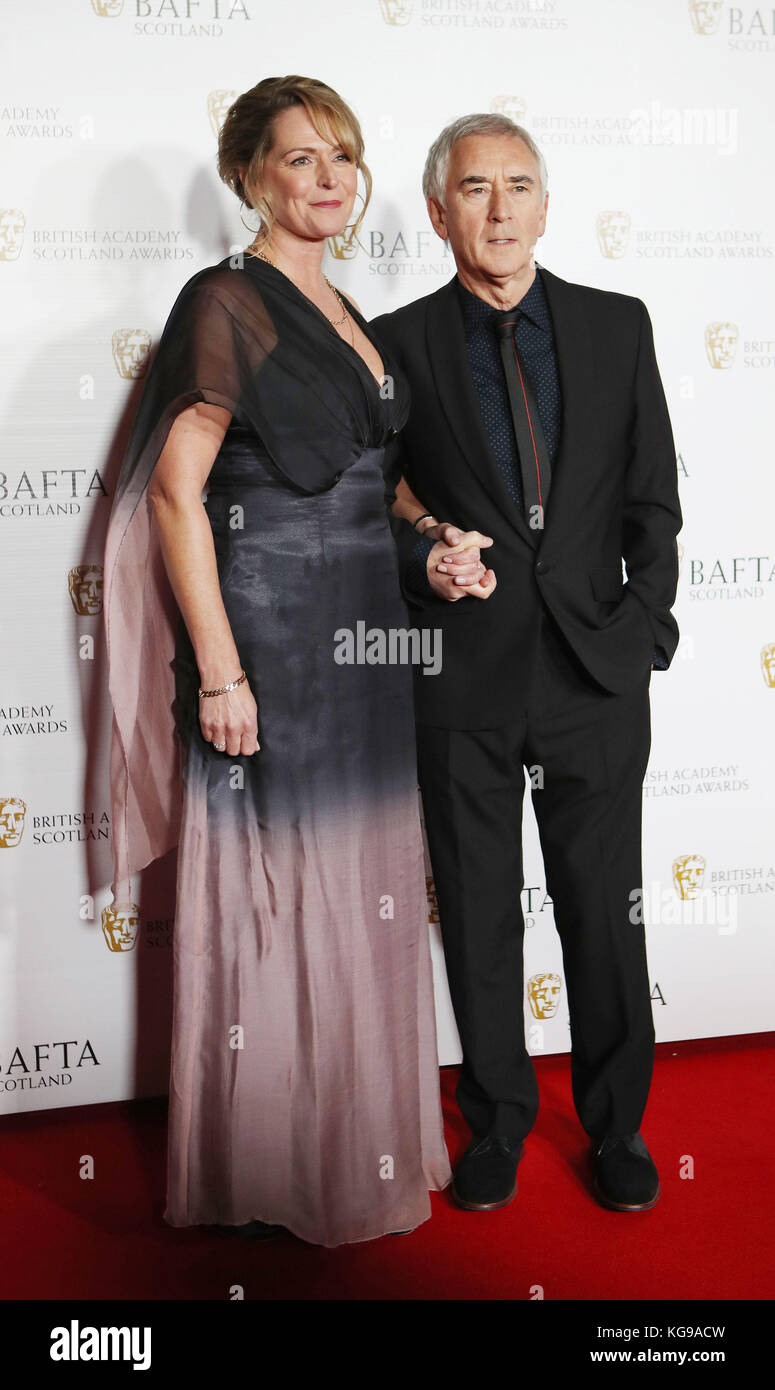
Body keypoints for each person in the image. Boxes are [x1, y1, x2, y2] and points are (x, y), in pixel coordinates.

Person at [103, 75, 454, 1248]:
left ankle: (355, 1139)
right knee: (278, 881)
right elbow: (173, 492)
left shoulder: (350, 309)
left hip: (366, 632)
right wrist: (218, 668)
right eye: (300, 158)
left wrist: (432, 544)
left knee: (361, 878)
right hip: (272, 628)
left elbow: (379, 483)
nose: (328, 179)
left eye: (342, 157)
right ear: (250, 172)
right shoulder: (228, 300)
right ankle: (278, 1160)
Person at [372, 113, 682, 1213]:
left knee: (603, 911)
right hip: (464, 675)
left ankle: (616, 1129)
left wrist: (643, 631)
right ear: (437, 210)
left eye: (517, 186)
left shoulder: (615, 325)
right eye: (473, 189)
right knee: (479, 907)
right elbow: (375, 501)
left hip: (596, 676)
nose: (497, 209)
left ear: (546, 207)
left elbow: (651, 498)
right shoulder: (395, 344)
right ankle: (497, 1120)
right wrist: (425, 560)